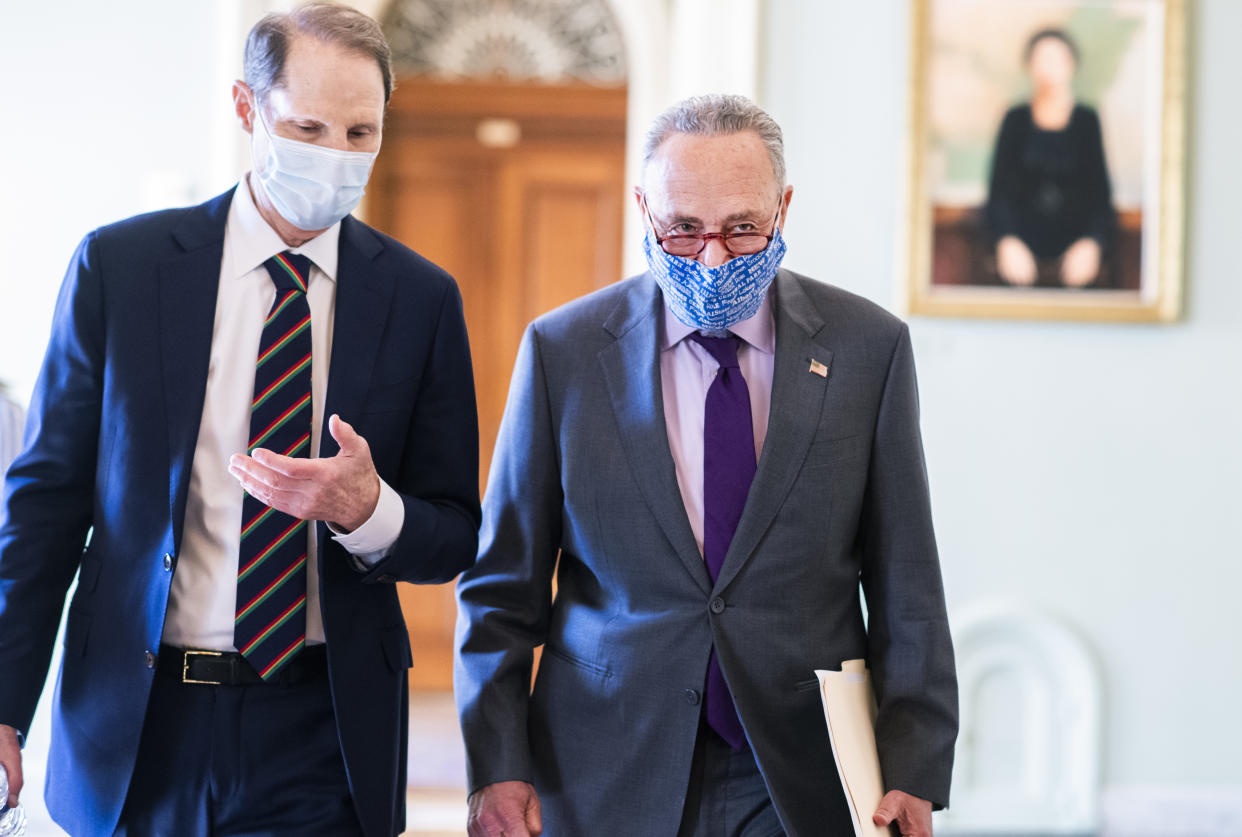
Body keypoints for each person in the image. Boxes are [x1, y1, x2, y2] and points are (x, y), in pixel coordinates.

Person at [0, 5, 480, 835]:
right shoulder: (122, 268)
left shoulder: (421, 298)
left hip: (322, 729)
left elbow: (455, 532)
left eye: (361, 130)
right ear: (246, 107)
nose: (336, 153)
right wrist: (4, 704)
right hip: (140, 715)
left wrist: (369, 512)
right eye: (308, 126)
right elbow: (43, 504)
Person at [455, 95, 957, 837]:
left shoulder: (867, 350)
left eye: (742, 228)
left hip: (799, 763)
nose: (713, 256)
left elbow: (905, 580)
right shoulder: (562, 352)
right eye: (683, 229)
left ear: (783, 207)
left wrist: (914, 765)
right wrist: (496, 763)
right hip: (606, 756)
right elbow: (503, 588)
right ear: (643, 208)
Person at [984, 28, 1118, 289]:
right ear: (1029, 66)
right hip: (1019, 259)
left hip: (1076, 259)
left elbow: (1100, 194)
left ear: (1071, 65)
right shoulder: (1015, 120)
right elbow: (998, 193)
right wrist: (1007, 241)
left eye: (1056, 60)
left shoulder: (1087, 121)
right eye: (1040, 60)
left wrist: (1092, 243)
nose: (1048, 69)